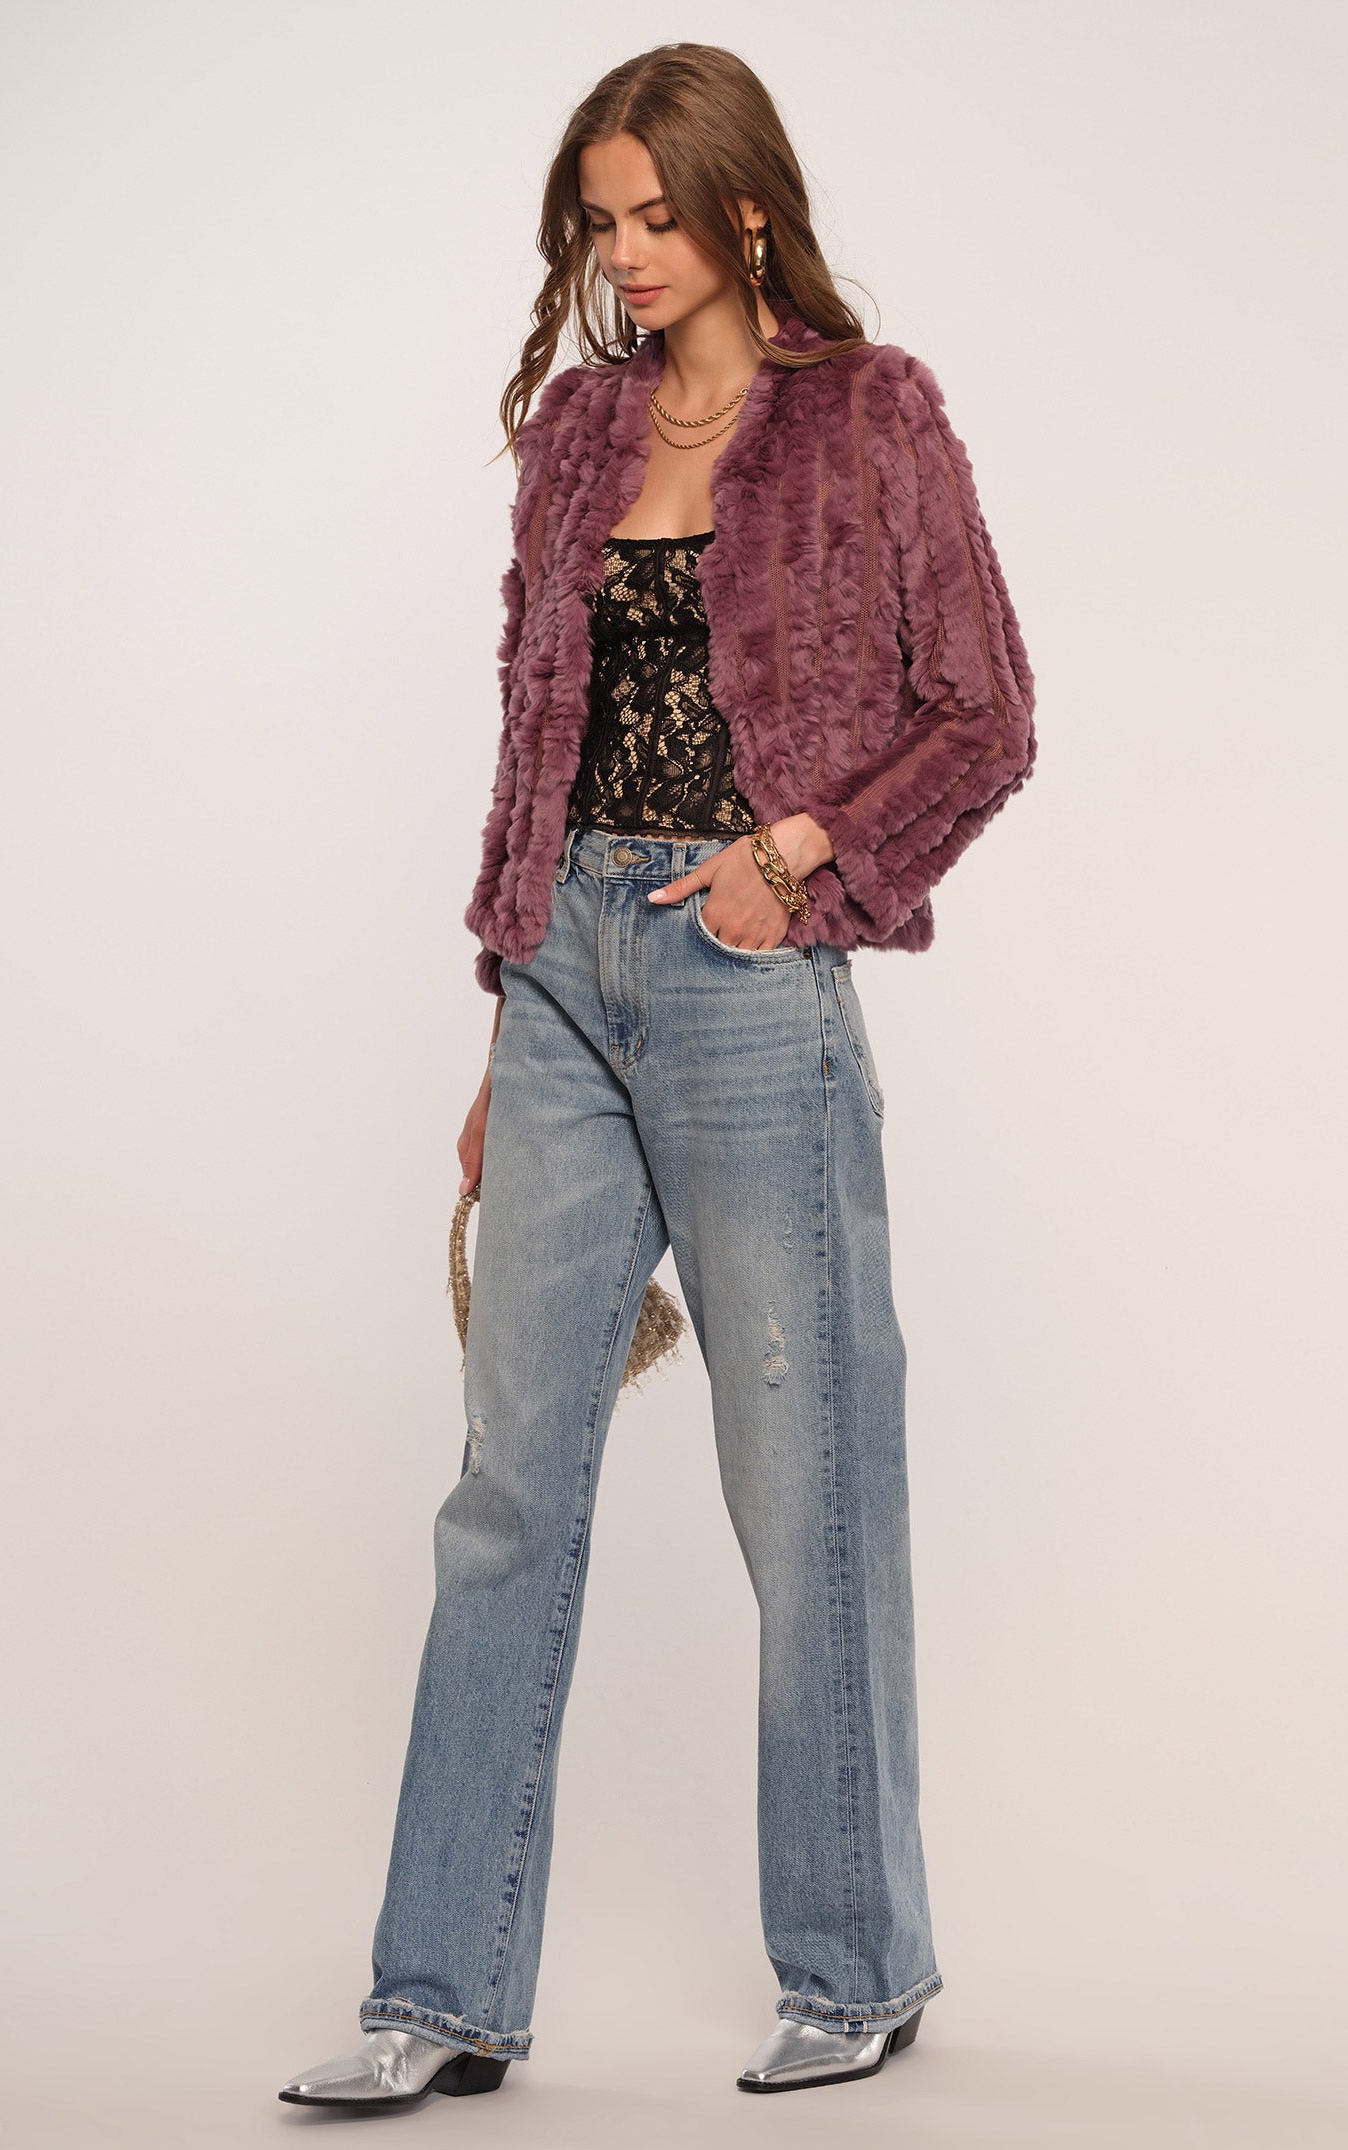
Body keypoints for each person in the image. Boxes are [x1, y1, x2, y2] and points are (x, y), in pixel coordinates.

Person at [280, 39, 1037, 2111]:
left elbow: (984, 711)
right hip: (560, 978)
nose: (620, 255)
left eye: (650, 216)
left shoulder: (872, 414)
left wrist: (802, 858)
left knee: (806, 1483)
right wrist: (502, 1012)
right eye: (595, 223)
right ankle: (440, 1987)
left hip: (742, 981)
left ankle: (857, 1963)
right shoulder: (580, 433)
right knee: (505, 1488)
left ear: (743, 208)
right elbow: (533, 732)